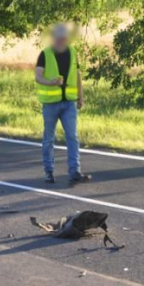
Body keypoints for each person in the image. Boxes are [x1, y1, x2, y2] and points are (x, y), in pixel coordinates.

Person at [35, 24, 91, 184]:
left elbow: (77, 75)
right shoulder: (45, 54)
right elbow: (38, 76)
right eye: (58, 38)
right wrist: (50, 82)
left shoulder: (73, 52)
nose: (61, 41)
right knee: (49, 138)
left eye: (63, 38)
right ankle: (49, 171)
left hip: (69, 103)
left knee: (72, 136)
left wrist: (81, 97)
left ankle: (75, 171)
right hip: (51, 104)